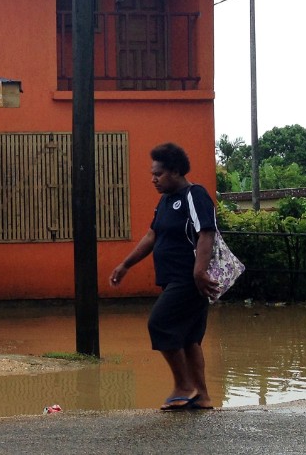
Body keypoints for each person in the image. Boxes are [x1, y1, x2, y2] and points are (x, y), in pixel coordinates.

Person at [109, 142, 219, 411]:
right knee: (189, 338)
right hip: (174, 279)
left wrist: (200, 271)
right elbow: (152, 235)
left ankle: (183, 385)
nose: (153, 179)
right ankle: (202, 396)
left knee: (159, 323)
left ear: (176, 171)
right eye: (152, 174)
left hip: (190, 279)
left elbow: (207, 232)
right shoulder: (166, 201)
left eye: (158, 174)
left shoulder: (195, 195)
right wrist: (125, 264)